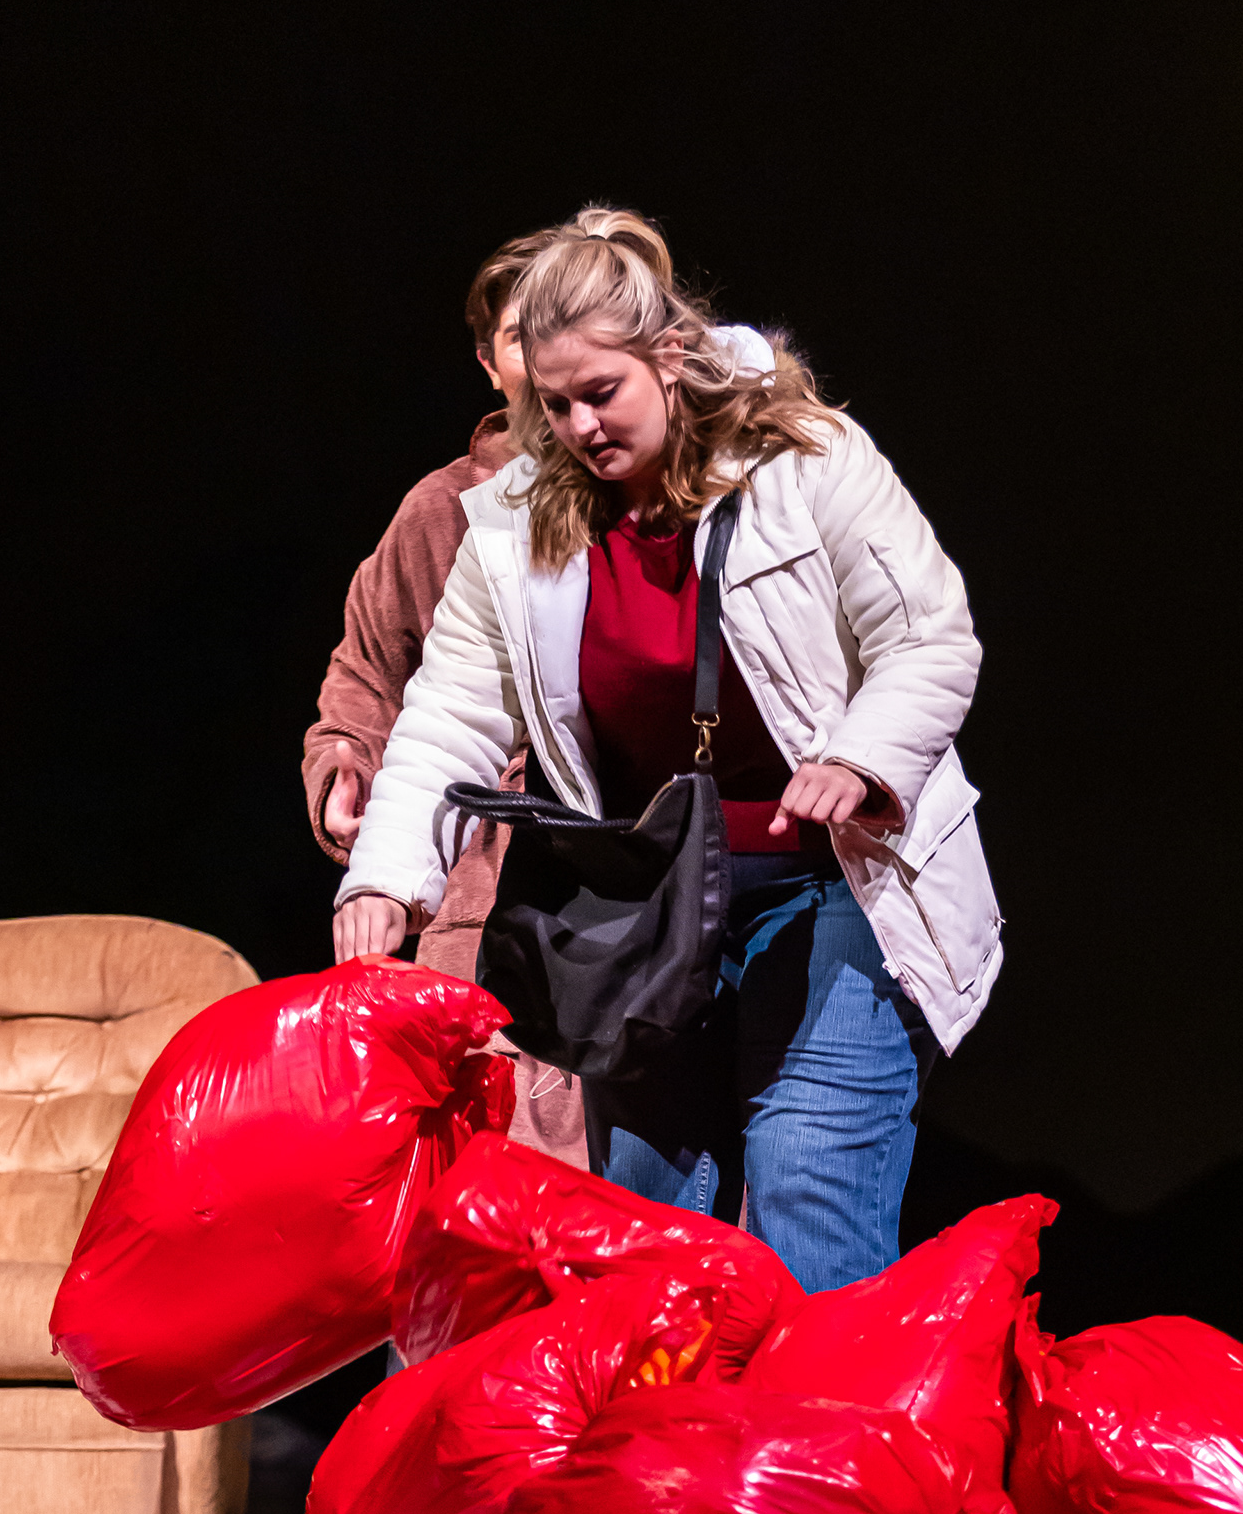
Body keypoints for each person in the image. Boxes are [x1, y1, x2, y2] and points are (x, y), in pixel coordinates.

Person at [331, 211, 1001, 1293]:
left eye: (603, 393)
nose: (582, 426)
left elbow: (928, 637)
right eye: (556, 406)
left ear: (672, 357)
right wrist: (385, 877)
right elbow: (448, 711)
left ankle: (815, 1415)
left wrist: (861, 760)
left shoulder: (806, 461)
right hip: (650, 909)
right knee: (648, 1247)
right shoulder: (512, 524)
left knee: (810, 1207)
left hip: (834, 887)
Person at [302, 223, 597, 1163]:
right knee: (492, 1168)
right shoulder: (447, 509)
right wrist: (345, 765)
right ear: (489, 362)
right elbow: (367, 673)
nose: (544, 355)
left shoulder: (641, 483)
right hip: (480, 888)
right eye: (519, 336)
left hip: (624, 879)